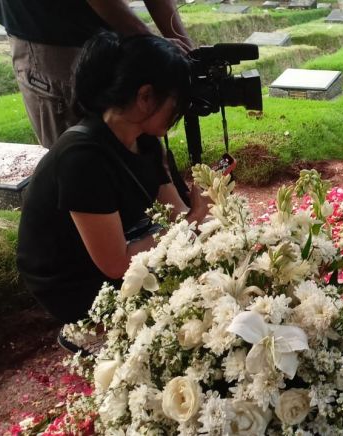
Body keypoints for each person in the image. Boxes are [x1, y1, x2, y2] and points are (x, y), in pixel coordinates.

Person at [16, 33, 210, 336]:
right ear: (145, 97)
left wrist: (201, 212)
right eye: (176, 101)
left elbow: (176, 213)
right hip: (77, 284)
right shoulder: (82, 159)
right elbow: (117, 264)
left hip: (125, 247)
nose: (179, 112)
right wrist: (192, 222)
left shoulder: (145, 142)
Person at [0, 0, 193, 148]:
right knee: (84, 155)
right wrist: (152, 45)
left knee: (140, 149)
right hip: (52, 34)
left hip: (107, 33)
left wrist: (189, 55)